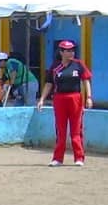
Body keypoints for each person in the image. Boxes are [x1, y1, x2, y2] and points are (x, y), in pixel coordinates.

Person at [38, 39, 93, 167]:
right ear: (61, 52)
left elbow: (86, 81)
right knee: (61, 129)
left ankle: (79, 157)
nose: (71, 53)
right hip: (59, 99)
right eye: (67, 51)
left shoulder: (79, 64)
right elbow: (49, 84)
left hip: (75, 98)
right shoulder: (55, 67)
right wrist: (42, 99)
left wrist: (88, 97)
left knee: (76, 130)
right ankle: (57, 158)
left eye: (72, 50)